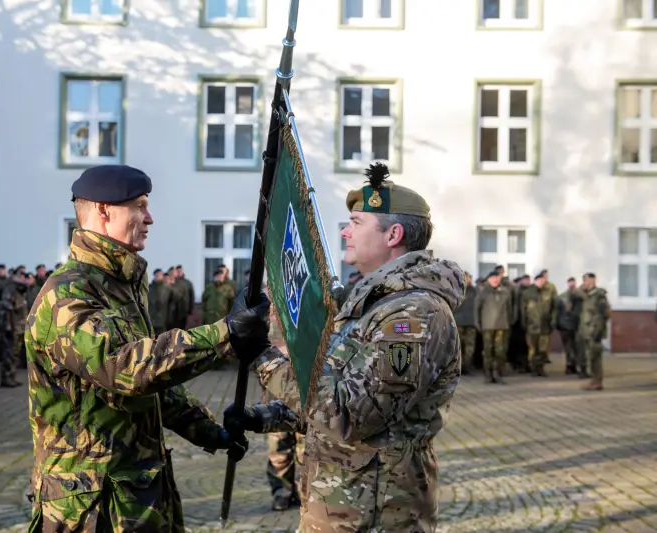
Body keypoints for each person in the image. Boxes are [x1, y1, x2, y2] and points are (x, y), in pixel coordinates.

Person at [25, 164, 269, 532]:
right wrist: (224, 334)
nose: (149, 217)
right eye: (139, 206)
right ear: (104, 210)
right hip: (91, 508)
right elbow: (124, 369)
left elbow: (157, 387)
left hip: (138, 492)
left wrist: (205, 430)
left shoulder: (121, 285)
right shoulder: (67, 293)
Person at [225, 162, 465, 532]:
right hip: (344, 505)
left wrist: (263, 357)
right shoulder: (373, 302)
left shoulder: (412, 316)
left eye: (356, 224)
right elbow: (336, 391)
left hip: (376, 512)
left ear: (393, 234)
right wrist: (268, 417)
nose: (344, 234)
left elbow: (349, 417)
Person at [578, 273, 610, 391]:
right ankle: (594, 381)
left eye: (586, 281)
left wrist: (597, 330)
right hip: (588, 331)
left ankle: (597, 381)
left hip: (595, 331)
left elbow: (604, 315)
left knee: (595, 357)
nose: (584, 283)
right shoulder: (588, 295)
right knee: (591, 357)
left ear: (591, 281)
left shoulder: (599, 296)